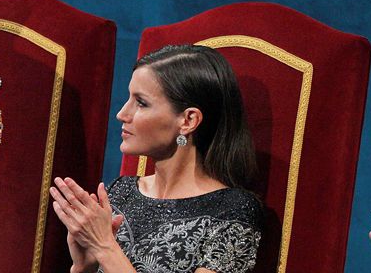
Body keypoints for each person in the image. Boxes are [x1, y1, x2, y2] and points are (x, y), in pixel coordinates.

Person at [50, 44, 262, 273]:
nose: (122, 114)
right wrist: (84, 266)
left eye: (141, 103)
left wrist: (104, 247)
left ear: (188, 120)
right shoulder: (120, 192)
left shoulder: (232, 210)